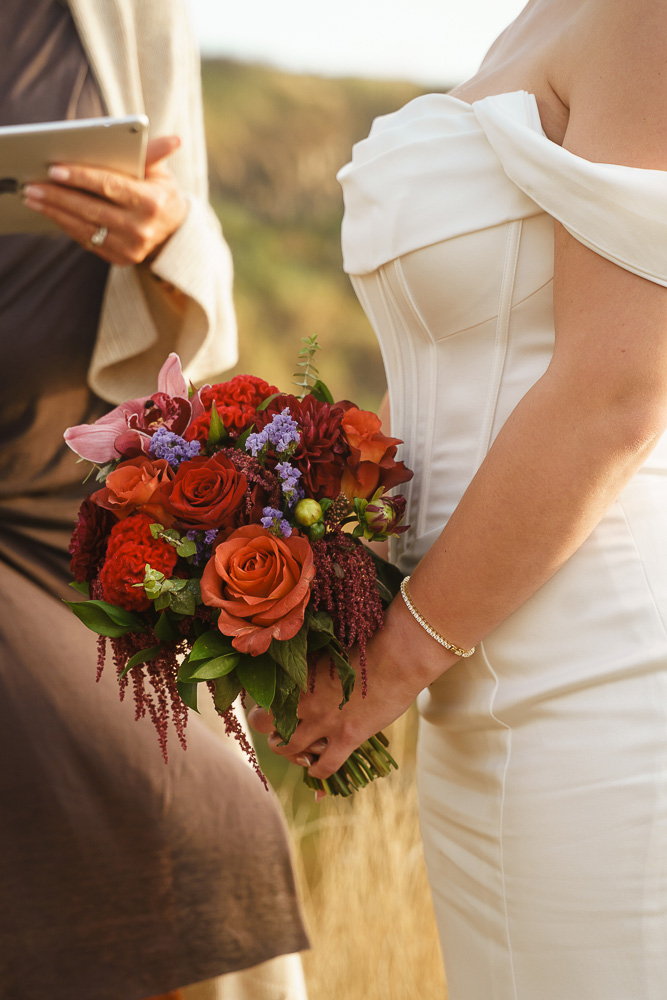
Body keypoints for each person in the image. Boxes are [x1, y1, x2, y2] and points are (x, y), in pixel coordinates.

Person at [250, 0, 667, 995]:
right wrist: (302, 572)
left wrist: (390, 667)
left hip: (606, 686)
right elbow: (452, 365)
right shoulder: (534, 21)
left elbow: (617, 391)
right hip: (466, 687)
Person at [0, 2, 309, 999]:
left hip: (82, 499)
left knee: (207, 837)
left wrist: (165, 234)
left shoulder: (133, 11)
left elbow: (195, 237)